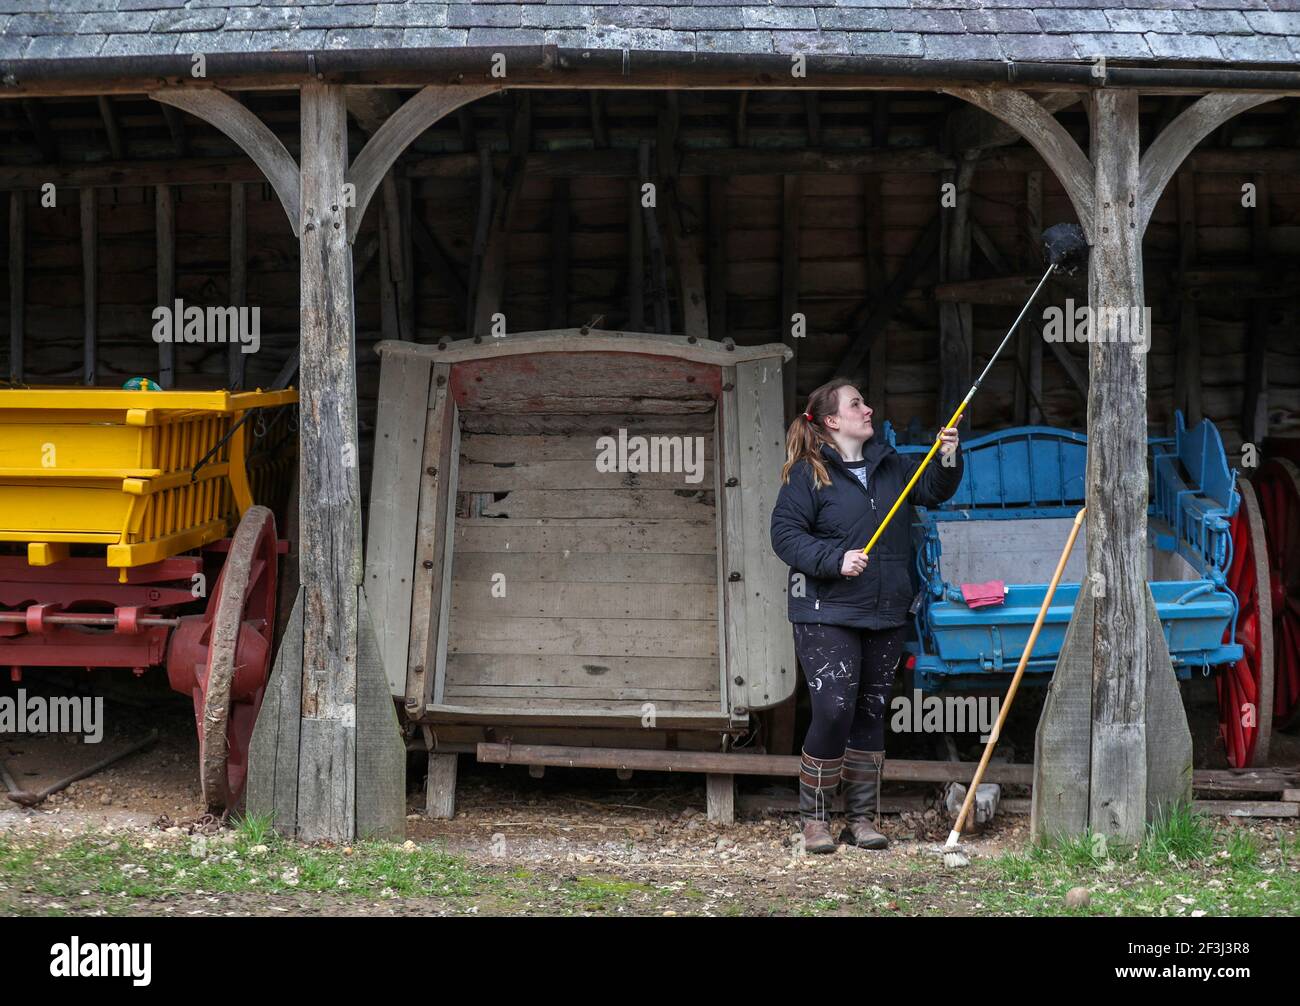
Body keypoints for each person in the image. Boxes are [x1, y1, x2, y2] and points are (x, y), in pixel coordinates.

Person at [770, 378, 963, 853]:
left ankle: (861, 819)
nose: (868, 409)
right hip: (827, 610)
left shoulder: (889, 464)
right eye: (856, 404)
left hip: (885, 608)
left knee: (871, 711)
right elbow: (785, 536)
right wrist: (835, 560)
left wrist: (948, 454)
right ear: (832, 420)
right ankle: (814, 821)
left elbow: (934, 490)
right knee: (834, 708)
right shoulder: (807, 474)